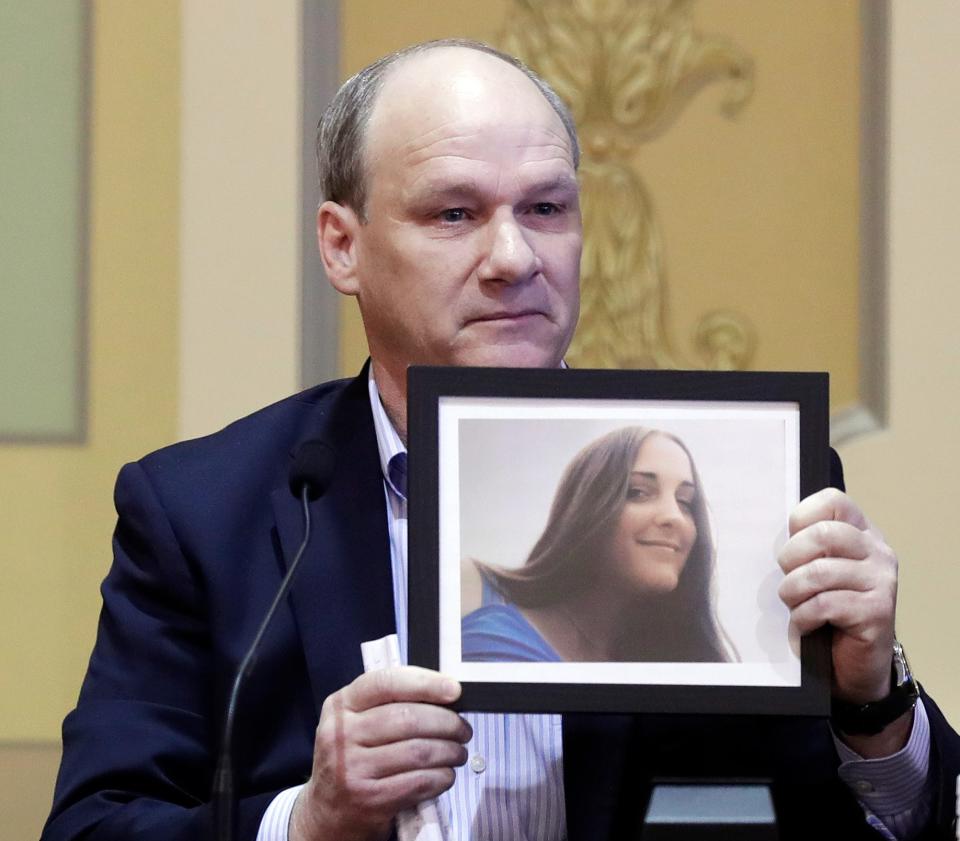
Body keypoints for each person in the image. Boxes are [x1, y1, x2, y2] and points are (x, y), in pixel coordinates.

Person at [42, 38, 960, 841]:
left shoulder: (736, 477)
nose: (515, 257)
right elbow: (94, 823)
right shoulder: (204, 515)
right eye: (455, 213)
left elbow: (895, 817)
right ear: (341, 245)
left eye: (546, 210)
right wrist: (310, 821)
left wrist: (870, 698)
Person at [462, 426, 737, 663]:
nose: (673, 517)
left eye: (685, 502)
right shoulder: (469, 586)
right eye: (638, 492)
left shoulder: (683, 666)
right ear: (587, 508)